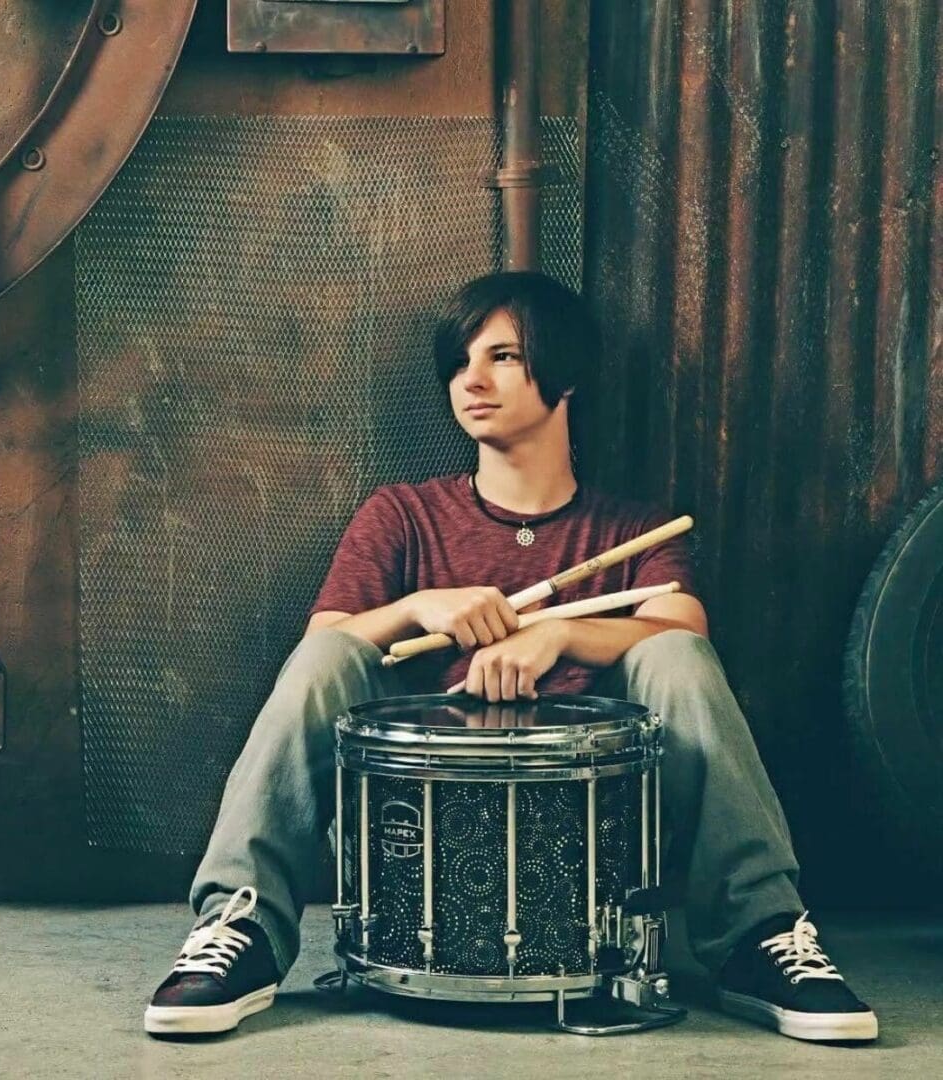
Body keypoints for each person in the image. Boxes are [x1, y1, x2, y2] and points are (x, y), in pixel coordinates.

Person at [143, 271, 878, 1043]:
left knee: (679, 660)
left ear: (562, 375)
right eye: (461, 363)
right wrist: (419, 607)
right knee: (329, 656)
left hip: (588, 844)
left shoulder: (630, 530)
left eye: (503, 357)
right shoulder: (404, 515)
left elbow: (682, 629)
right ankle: (242, 927)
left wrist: (556, 635)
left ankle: (762, 936)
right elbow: (325, 640)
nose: (472, 381)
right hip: (421, 832)